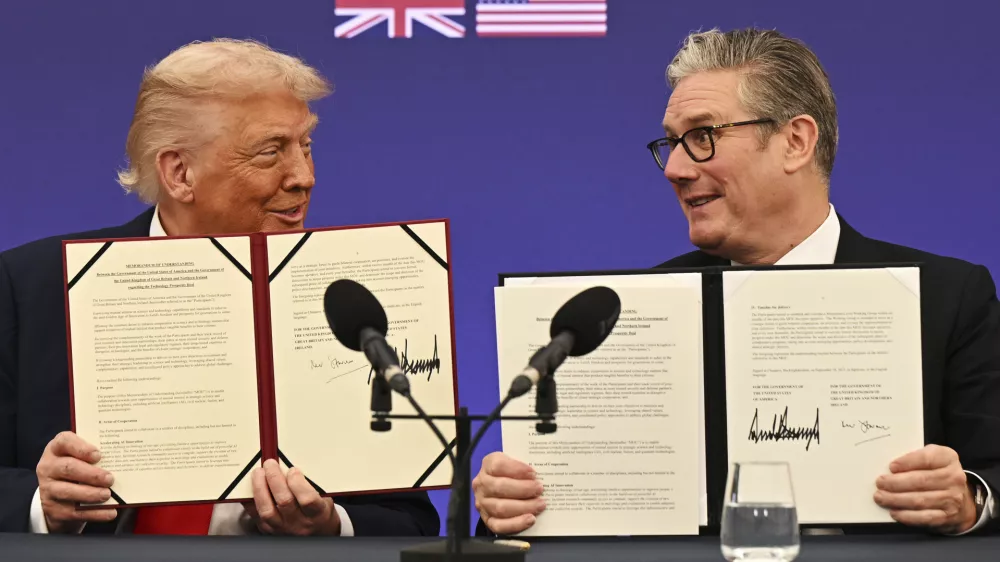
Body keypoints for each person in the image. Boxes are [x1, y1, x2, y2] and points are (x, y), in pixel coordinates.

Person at [473, 27, 1000, 537]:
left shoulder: (948, 296)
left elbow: (992, 477)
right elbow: (547, 513)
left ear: (795, 141)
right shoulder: (625, 314)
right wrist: (509, 504)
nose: (674, 168)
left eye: (702, 136)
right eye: (672, 143)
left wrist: (969, 500)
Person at [0, 38, 438, 537]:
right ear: (180, 172)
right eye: (271, 152)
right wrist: (42, 505)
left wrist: (331, 526)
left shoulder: (352, 306)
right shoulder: (27, 288)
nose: (304, 176)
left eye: (307, 146)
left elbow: (411, 523)